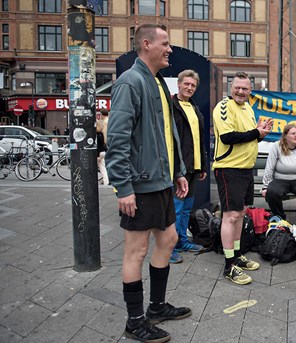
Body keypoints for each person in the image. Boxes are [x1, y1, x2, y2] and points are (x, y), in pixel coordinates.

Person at [106, 24, 192, 343]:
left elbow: (167, 136)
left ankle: (156, 307)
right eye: (165, 44)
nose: (170, 49)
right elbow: (116, 139)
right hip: (140, 185)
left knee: (168, 238)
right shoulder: (131, 81)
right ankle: (135, 321)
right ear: (146, 44)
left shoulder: (156, 82)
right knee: (136, 250)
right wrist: (123, 187)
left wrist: (179, 171)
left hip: (162, 182)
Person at [212, 72, 273, 285]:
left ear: (250, 90)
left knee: (241, 213)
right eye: (237, 87)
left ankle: (237, 255)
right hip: (229, 169)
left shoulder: (248, 108)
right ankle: (229, 265)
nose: (240, 91)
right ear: (231, 87)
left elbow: (250, 134)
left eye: (245, 88)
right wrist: (257, 133)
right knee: (230, 216)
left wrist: (261, 132)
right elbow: (228, 137)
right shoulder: (223, 107)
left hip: (245, 169)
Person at [169, 69, 208, 264]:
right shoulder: (170, 106)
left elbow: (199, 139)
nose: (190, 87)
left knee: (186, 208)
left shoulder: (194, 108)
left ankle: (182, 241)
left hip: (194, 167)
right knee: (176, 209)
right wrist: (177, 171)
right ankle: (169, 248)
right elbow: (170, 141)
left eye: (193, 85)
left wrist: (202, 166)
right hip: (180, 169)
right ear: (179, 84)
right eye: (186, 84)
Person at [261, 124, 296, 226]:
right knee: (272, 192)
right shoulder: (276, 146)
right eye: (293, 134)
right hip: (281, 179)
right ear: (285, 136)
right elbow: (269, 167)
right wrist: (265, 186)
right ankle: (280, 218)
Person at [96, 109, 109, 186]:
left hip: (102, 149)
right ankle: (105, 179)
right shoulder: (109, 120)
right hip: (104, 149)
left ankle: (106, 180)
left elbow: (104, 138)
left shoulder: (105, 122)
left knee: (102, 166)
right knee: (104, 165)